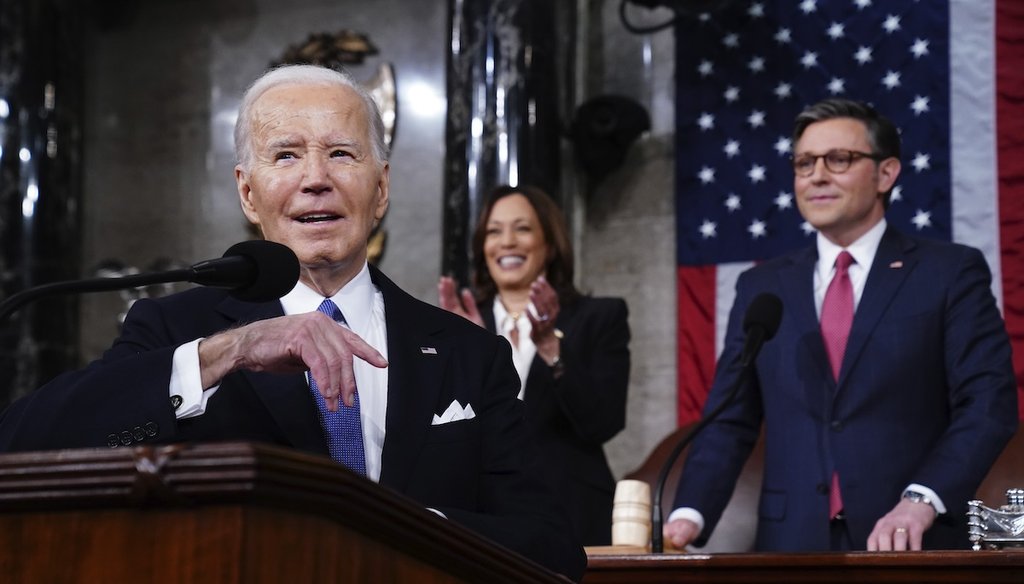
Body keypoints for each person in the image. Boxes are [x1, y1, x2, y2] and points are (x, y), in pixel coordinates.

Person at [0, 65, 586, 580]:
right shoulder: (177, 330)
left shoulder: (467, 352)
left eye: (341, 153)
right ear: (249, 194)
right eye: (285, 155)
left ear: (380, 189)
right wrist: (226, 353)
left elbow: (553, 547)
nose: (315, 179)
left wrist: (409, 529)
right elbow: (23, 446)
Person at [663, 98, 1018, 552]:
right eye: (804, 163)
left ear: (886, 173)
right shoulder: (762, 287)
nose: (816, 176)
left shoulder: (948, 273)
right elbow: (730, 418)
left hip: (913, 541)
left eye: (839, 159)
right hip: (791, 547)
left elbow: (988, 403)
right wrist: (689, 514)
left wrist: (922, 500)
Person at [438, 185, 630, 546]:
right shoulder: (458, 325)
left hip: (573, 516)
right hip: (481, 519)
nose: (507, 241)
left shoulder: (599, 317)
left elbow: (603, 422)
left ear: (550, 243)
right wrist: (471, 354)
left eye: (522, 229)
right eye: (494, 231)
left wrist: (550, 347)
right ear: (483, 248)